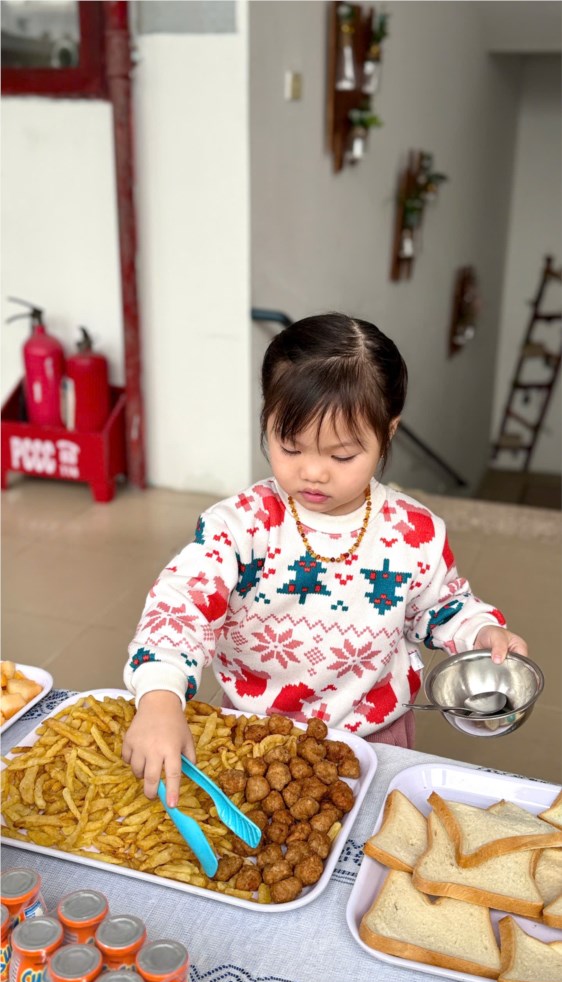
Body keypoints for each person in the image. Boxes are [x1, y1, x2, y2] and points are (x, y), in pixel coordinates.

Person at [122, 313, 528, 806]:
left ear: (387, 433)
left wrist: (479, 632)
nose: (313, 472)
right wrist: (160, 696)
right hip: (255, 732)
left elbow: (441, 606)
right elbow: (181, 604)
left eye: (341, 456)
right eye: (290, 447)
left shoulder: (413, 532)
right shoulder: (242, 526)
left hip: (375, 734)